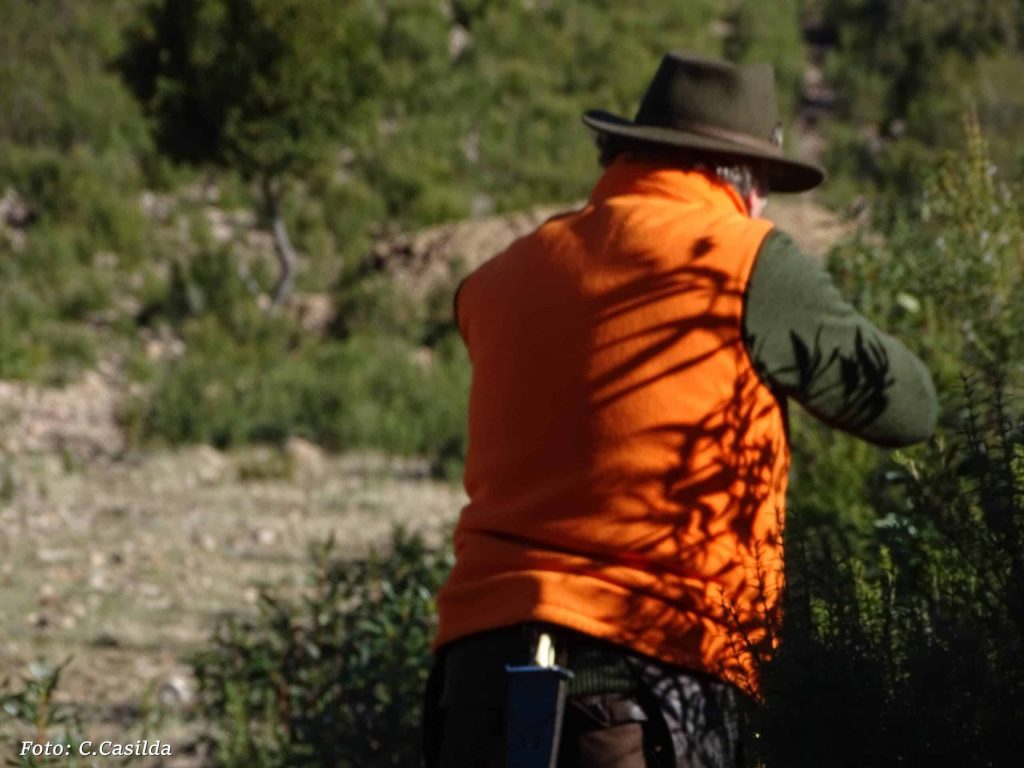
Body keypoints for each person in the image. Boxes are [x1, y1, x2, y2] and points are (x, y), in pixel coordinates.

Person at [421, 52, 937, 768]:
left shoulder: (505, 274)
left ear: (628, 152)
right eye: (764, 187)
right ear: (742, 179)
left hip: (476, 682)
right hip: (644, 686)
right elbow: (907, 406)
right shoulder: (742, 256)